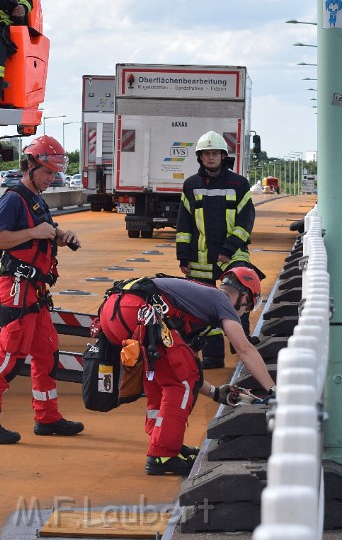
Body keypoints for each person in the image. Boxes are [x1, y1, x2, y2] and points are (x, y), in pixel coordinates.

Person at [97, 267, 275, 476]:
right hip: (138, 309)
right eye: (247, 307)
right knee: (180, 383)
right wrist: (273, 390)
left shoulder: (196, 299)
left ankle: (162, 440)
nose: (243, 313)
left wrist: (216, 393)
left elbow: (187, 368)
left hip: (113, 310)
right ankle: (163, 454)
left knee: (161, 377)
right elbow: (244, 349)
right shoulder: (221, 300)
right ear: (244, 295)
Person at [0, 135, 84, 444]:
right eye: (47, 172)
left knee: (47, 352)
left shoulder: (35, 199)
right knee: (11, 353)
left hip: (36, 291)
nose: (52, 178)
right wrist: (35, 231)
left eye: (54, 174)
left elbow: (38, 234)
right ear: (30, 166)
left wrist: (61, 235)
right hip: (18, 287)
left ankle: (47, 417)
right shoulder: (14, 198)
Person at [176, 130, 257, 369]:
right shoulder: (191, 185)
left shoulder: (239, 184)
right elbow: (184, 224)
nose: (210, 157)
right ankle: (213, 357)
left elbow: (245, 222)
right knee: (203, 309)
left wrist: (228, 249)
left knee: (238, 303)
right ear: (200, 157)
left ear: (223, 156)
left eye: (215, 153)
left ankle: (241, 344)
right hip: (200, 260)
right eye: (206, 154)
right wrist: (183, 255)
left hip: (233, 258)